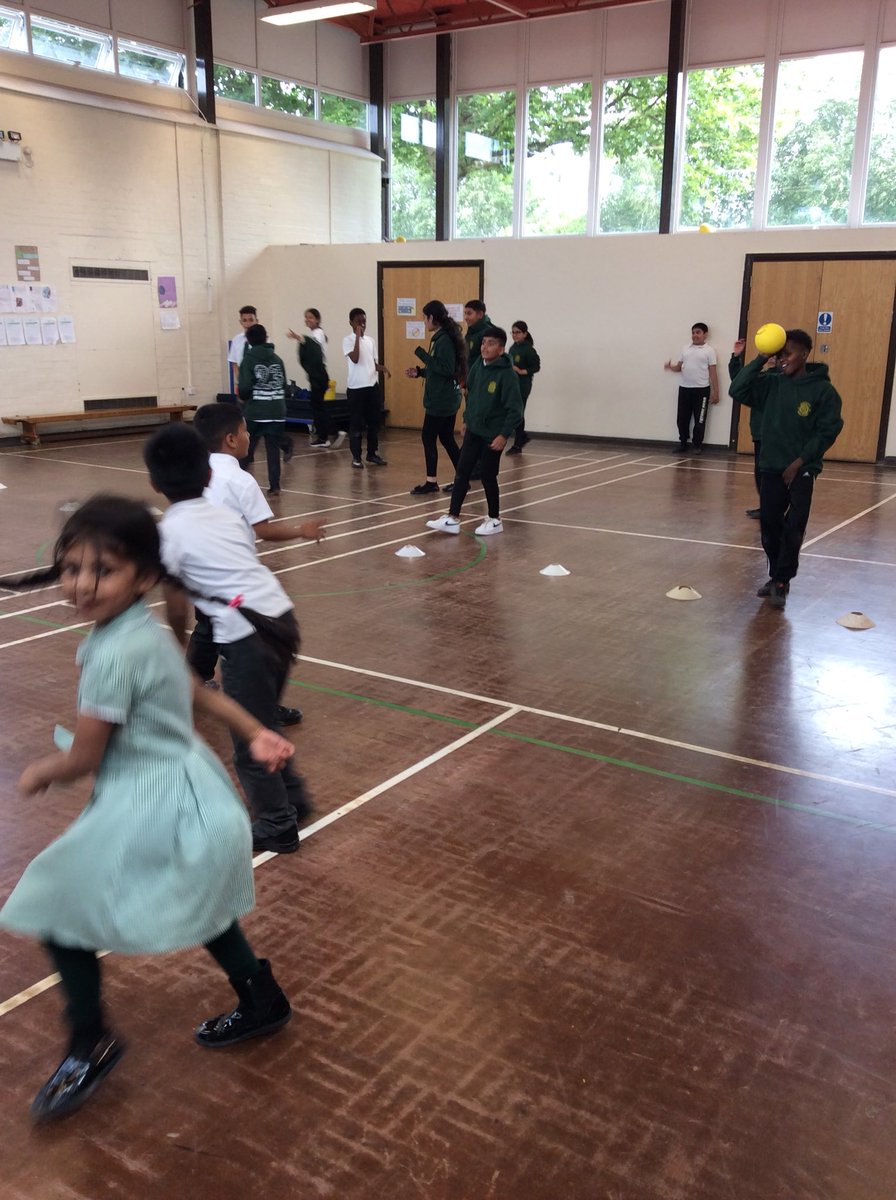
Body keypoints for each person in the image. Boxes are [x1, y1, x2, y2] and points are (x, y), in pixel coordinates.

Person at [0, 496, 295, 1123]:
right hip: (193, 792)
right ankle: (261, 998)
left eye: (102, 570)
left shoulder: (111, 654)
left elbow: (83, 757)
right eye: (72, 567)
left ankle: (89, 1039)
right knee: (205, 899)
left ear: (144, 577)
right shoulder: (147, 632)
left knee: (54, 907)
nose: (82, 584)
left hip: (151, 800)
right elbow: (196, 691)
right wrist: (255, 731)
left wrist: (38, 773)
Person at [144, 423, 311, 854]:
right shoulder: (223, 515)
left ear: (153, 482)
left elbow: (178, 605)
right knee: (261, 719)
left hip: (247, 637)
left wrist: (181, 655)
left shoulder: (170, 533)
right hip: (281, 619)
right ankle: (291, 799)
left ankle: (277, 824)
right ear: (207, 476)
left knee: (247, 741)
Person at [189, 402, 327, 724]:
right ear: (231, 440)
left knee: (208, 629)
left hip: (200, 574)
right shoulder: (240, 480)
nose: (249, 436)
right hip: (234, 582)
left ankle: (189, 687)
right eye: (245, 431)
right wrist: (300, 531)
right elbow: (262, 529)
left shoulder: (197, 472)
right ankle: (259, 705)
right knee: (263, 638)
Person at [728, 328, 844, 609]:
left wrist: (800, 461)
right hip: (770, 466)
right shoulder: (771, 384)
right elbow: (737, 389)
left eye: (787, 354)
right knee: (769, 524)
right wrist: (760, 357)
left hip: (802, 469)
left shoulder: (823, 391)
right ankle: (776, 576)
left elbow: (827, 430)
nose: (782, 360)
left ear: (805, 354)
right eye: (779, 354)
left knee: (795, 525)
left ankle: (781, 579)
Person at [426, 327, 522, 538]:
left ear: (501, 348)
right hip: (474, 430)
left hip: (492, 435)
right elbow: (472, 394)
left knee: (488, 475)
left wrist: (503, 435)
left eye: (491, 343)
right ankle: (452, 518)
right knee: (462, 472)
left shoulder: (507, 375)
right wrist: (466, 419)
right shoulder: (478, 365)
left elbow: (515, 410)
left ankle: (495, 519)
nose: (485, 347)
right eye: (483, 342)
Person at [405, 300, 466, 495]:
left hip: (441, 400)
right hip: (446, 397)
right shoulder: (443, 338)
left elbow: (447, 369)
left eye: (424, 318)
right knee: (447, 438)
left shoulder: (444, 340)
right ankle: (462, 478)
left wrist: (423, 355)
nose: (424, 322)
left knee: (428, 437)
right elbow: (438, 368)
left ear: (432, 318)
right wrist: (420, 372)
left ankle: (432, 482)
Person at [229, 305, 294, 464]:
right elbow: (234, 362)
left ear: (256, 320)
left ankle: (285, 443)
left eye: (251, 320)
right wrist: (241, 379)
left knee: (267, 428)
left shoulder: (264, 341)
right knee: (245, 424)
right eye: (244, 320)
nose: (248, 323)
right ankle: (247, 454)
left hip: (262, 389)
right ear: (240, 322)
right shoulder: (237, 340)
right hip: (245, 386)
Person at [729, 339, 778, 520]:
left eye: (776, 355)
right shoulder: (760, 378)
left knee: (773, 473)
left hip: (777, 435)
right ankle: (765, 506)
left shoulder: (781, 379)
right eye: (770, 355)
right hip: (760, 433)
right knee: (760, 471)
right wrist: (736, 357)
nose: (772, 358)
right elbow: (738, 380)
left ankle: (775, 508)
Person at [238, 323, 288, 496]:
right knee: (273, 449)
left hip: (257, 412)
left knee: (246, 449)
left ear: (249, 340)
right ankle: (275, 485)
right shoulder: (277, 359)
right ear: (266, 338)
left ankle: (238, 483)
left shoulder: (249, 360)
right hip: (277, 410)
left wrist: (245, 398)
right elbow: (284, 385)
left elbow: (244, 388)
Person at [342, 308, 391, 469]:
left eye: (364, 321)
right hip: (356, 388)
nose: (362, 325)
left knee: (374, 422)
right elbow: (355, 359)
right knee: (356, 423)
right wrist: (357, 336)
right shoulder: (348, 340)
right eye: (358, 322)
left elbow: (371, 363)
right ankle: (356, 457)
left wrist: (382, 368)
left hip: (371, 386)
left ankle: (372, 453)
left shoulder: (370, 341)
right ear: (351, 323)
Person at [663, 322, 719, 454]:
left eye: (698, 332)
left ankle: (697, 445)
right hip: (684, 389)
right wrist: (671, 367)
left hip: (702, 390)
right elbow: (679, 367)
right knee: (682, 418)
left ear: (705, 334)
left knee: (700, 419)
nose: (695, 335)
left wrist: (716, 392)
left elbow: (713, 372)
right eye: (693, 333)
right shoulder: (685, 349)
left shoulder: (709, 351)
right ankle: (683, 443)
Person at [286, 326, 332, 448]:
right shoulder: (316, 334)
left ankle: (325, 436)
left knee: (318, 406)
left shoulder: (318, 333)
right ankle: (327, 434)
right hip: (318, 375)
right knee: (318, 405)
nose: (308, 320)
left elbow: (310, 343)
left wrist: (298, 337)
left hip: (319, 375)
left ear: (317, 319)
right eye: (307, 317)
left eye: (311, 317)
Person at [506, 321, 541, 455]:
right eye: (513, 332)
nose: (515, 335)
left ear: (525, 334)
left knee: (517, 412)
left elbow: (536, 367)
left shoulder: (529, 350)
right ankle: (522, 437)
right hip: (512, 384)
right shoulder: (513, 348)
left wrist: (521, 371)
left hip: (523, 385)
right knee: (514, 412)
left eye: (518, 332)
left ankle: (518, 443)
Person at [463, 299, 493, 367]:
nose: (466, 317)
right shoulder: (470, 332)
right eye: (465, 313)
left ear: (480, 314)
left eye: (469, 313)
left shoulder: (488, 333)